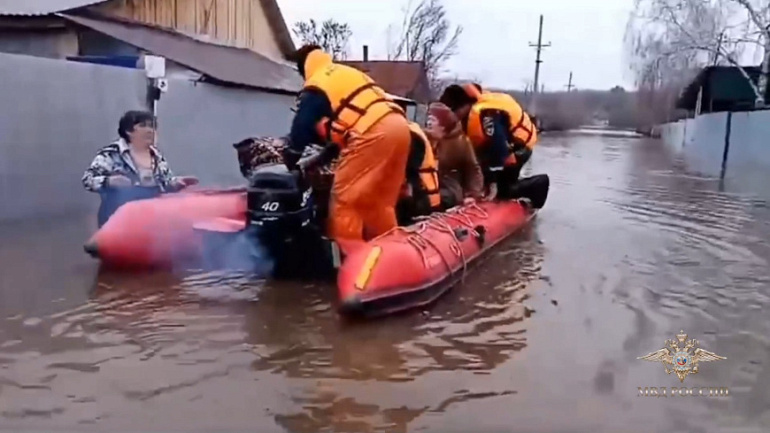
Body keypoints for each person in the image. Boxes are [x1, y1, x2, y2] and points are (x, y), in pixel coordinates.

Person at [283, 44, 411, 242]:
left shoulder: (317, 83)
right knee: (381, 202)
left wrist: (291, 159)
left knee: (345, 201)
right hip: (401, 127)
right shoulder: (347, 74)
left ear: (303, 68)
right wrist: (325, 154)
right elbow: (353, 115)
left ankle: (347, 252)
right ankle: (389, 248)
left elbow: (302, 125)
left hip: (372, 133)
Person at [82, 110, 198, 227]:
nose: (149, 130)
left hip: (151, 219)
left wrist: (176, 183)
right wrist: (109, 181)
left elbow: (166, 183)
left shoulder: (157, 156)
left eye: (152, 126)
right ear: (128, 131)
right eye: (143, 126)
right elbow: (88, 179)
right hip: (117, 217)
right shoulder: (112, 154)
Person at [439, 83, 548, 207]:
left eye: (453, 112)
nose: (453, 117)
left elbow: (499, 147)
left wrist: (493, 181)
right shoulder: (470, 115)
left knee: (503, 191)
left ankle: (538, 184)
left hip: (517, 149)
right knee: (479, 170)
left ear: (463, 106)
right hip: (498, 148)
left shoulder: (486, 115)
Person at [423, 102, 485, 208]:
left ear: (443, 125)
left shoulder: (460, 142)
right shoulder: (422, 139)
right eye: (428, 119)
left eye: (432, 120)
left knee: (434, 199)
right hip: (425, 187)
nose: (428, 123)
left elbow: (472, 170)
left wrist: (472, 194)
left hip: (448, 189)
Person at [395, 121, 442, 224]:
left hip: (417, 200)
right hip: (424, 197)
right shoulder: (412, 130)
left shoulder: (410, 135)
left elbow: (409, 169)